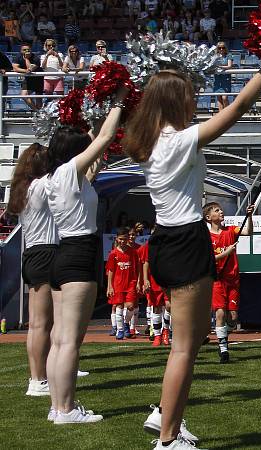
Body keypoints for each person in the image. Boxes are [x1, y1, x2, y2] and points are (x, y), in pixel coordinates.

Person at [124, 54, 261, 448]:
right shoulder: (177, 141)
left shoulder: (154, 142)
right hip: (185, 241)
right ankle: (167, 438)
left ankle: (164, 413)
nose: (195, 100)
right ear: (175, 101)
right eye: (190, 95)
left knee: (187, 345)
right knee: (186, 347)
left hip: (166, 240)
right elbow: (243, 106)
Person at [44, 87, 127, 424]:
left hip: (65, 253)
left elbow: (95, 145)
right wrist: (120, 99)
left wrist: (98, 110)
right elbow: (104, 137)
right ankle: (64, 409)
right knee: (69, 341)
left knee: (60, 338)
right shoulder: (67, 173)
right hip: (78, 254)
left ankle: (57, 406)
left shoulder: (58, 176)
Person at [7, 144, 57, 400]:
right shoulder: (41, 185)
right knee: (40, 323)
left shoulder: (23, 188)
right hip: (46, 252)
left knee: (41, 323)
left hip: (35, 253)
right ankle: (37, 379)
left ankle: (40, 376)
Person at [204, 201, 254, 363]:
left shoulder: (231, 230)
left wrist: (250, 216)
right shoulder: (207, 237)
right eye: (217, 211)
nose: (221, 212)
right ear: (208, 217)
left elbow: (248, 231)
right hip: (217, 279)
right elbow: (209, 259)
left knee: (232, 317)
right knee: (220, 312)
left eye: (221, 210)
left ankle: (224, 335)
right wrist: (226, 252)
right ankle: (224, 350)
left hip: (232, 278)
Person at [140, 228, 172, 347]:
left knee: (169, 305)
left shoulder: (170, 244)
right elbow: (146, 262)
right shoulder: (149, 245)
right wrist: (145, 279)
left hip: (168, 279)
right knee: (156, 307)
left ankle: (166, 331)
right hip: (155, 280)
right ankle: (157, 335)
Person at [106, 227, 140, 340]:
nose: (122, 241)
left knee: (130, 306)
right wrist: (109, 286)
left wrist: (138, 282)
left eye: (124, 239)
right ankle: (120, 330)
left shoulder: (133, 253)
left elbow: (137, 268)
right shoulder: (113, 253)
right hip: (118, 283)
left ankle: (126, 323)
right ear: (117, 239)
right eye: (120, 239)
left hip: (131, 282)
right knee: (119, 306)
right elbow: (110, 270)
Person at [12, 43, 43, 110]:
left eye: (28, 49)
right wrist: (25, 71)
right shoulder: (18, 57)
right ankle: (38, 112)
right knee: (24, 95)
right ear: (21, 51)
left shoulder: (36, 58)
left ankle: (40, 114)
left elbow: (31, 68)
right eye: (24, 50)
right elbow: (15, 68)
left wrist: (26, 59)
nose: (26, 51)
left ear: (31, 50)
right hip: (28, 79)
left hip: (38, 79)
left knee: (39, 99)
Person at [212, 41, 233, 111]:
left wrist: (220, 67)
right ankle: (220, 114)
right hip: (217, 78)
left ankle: (227, 113)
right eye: (219, 48)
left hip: (225, 78)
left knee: (224, 97)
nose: (221, 49)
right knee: (219, 98)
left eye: (223, 48)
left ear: (225, 48)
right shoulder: (215, 56)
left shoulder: (228, 55)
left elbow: (229, 66)